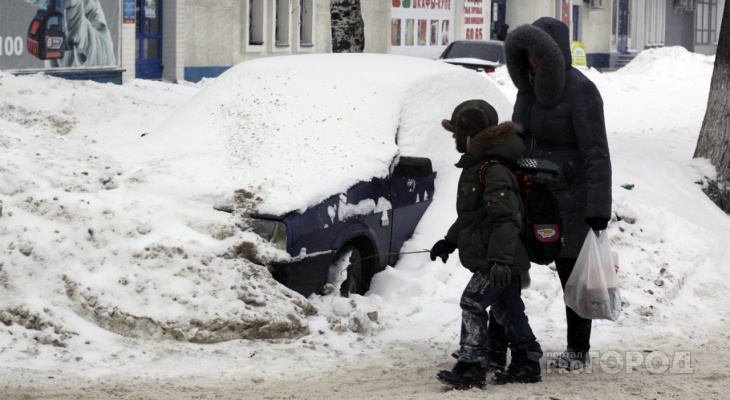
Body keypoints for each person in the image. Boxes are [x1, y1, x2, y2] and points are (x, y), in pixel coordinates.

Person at [499, 17, 613, 370]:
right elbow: (517, 138)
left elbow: (596, 151)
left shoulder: (581, 90)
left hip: (571, 200)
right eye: (527, 53)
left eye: (538, 53)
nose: (532, 60)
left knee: (571, 274)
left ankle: (578, 351)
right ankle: (498, 345)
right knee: (510, 264)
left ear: (554, 54)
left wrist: (598, 207)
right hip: (530, 194)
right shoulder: (526, 89)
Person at [430, 99, 543, 390]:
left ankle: (472, 365)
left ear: (469, 133)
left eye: (456, 132)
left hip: (498, 259)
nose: (454, 138)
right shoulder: (477, 167)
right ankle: (527, 361)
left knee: (473, 301)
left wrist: (501, 263)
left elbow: (506, 220)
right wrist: (448, 241)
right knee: (507, 310)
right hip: (495, 257)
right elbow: (474, 217)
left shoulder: (491, 170)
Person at [24, 0, 116, 68]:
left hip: (86, 87)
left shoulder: (91, 9)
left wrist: (82, 36)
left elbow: (106, 59)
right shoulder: (53, 9)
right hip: (57, 84)